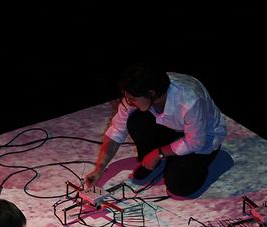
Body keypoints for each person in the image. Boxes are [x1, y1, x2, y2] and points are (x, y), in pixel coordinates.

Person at [85, 63, 227, 197]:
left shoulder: (190, 99)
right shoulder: (144, 93)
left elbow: (195, 141)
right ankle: (157, 160)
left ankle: (181, 160)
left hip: (203, 138)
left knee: (179, 185)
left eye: (133, 99)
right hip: (174, 130)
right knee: (135, 121)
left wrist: (158, 153)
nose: (129, 102)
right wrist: (99, 169)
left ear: (151, 93)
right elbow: (116, 132)